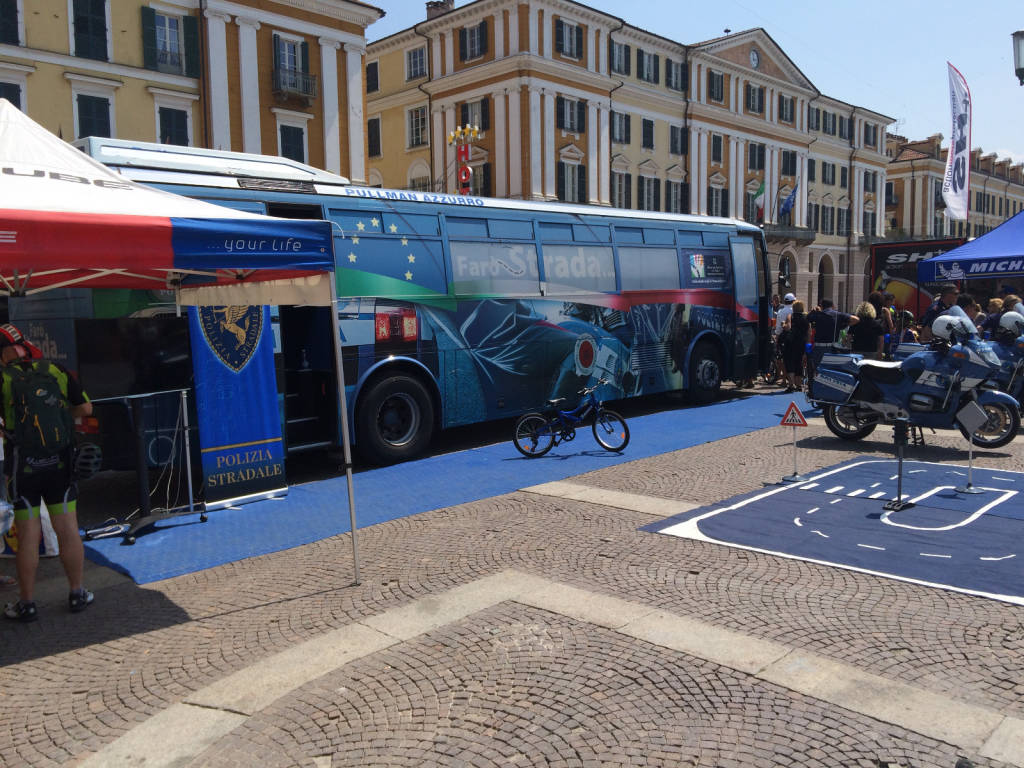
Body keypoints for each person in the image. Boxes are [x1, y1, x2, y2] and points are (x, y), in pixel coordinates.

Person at [1, 325, 93, 622]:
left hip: (23, 465)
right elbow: (86, 408)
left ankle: (26, 603)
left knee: (28, 534)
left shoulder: (2, 378)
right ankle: (77, 592)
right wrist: (58, 417)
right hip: (60, 462)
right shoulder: (55, 369)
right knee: (67, 527)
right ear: (23, 348)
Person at [807, 299, 859, 373]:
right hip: (831, 347)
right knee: (829, 371)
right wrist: (842, 326)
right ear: (832, 306)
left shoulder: (817, 315)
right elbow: (856, 319)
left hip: (818, 347)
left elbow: (808, 318)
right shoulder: (838, 315)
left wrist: (813, 311)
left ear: (821, 306)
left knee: (818, 371)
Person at [781, 300, 809, 392]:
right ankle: (799, 385)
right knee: (799, 363)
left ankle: (791, 385)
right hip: (802, 343)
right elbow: (809, 332)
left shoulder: (791, 316)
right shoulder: (806, 317)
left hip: (791, 343)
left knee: (790, 363)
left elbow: (788, 327)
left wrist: (783, 324)